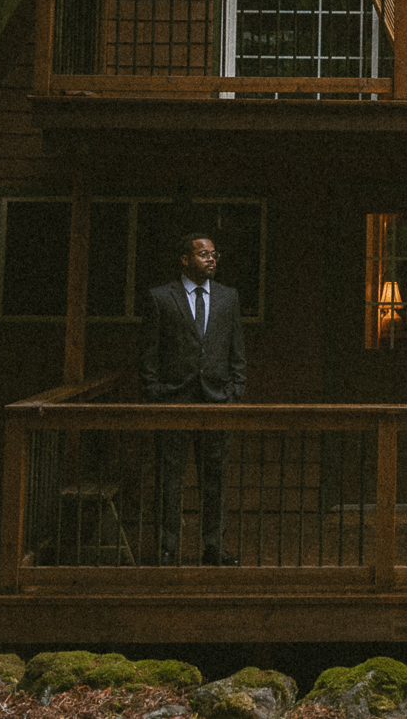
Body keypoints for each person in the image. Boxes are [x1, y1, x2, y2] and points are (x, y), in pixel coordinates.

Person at [138, 232, 246, 565]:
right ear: (185, 260)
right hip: (173, 401)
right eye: (203, 254)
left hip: (216, 401)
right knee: (169, 478)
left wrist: (234, 392)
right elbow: (149, 354)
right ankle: (167, 548)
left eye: (214, 253)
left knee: (215, 478)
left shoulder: (229, 298)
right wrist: (155, 393)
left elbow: (236, 351)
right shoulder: (160, 298)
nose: (211, 259)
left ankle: (213, 546)